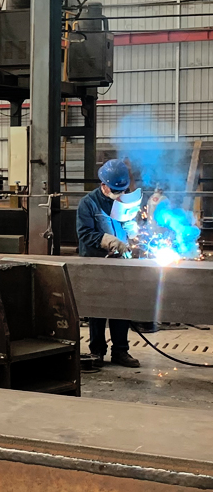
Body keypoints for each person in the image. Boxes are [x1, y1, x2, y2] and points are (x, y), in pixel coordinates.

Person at [76, 158, 141, 371]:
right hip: (97, 262)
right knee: (98, 309)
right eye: (115, 190)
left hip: (121, 263)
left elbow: (132, 222)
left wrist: (133, 231)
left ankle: (120, 351)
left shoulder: (124, 199)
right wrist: (109, 241)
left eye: (122, 190)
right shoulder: (88, 203)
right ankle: (97, 351)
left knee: (121, 307)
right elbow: (84, 234)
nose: (118, 194)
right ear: (103, 185)